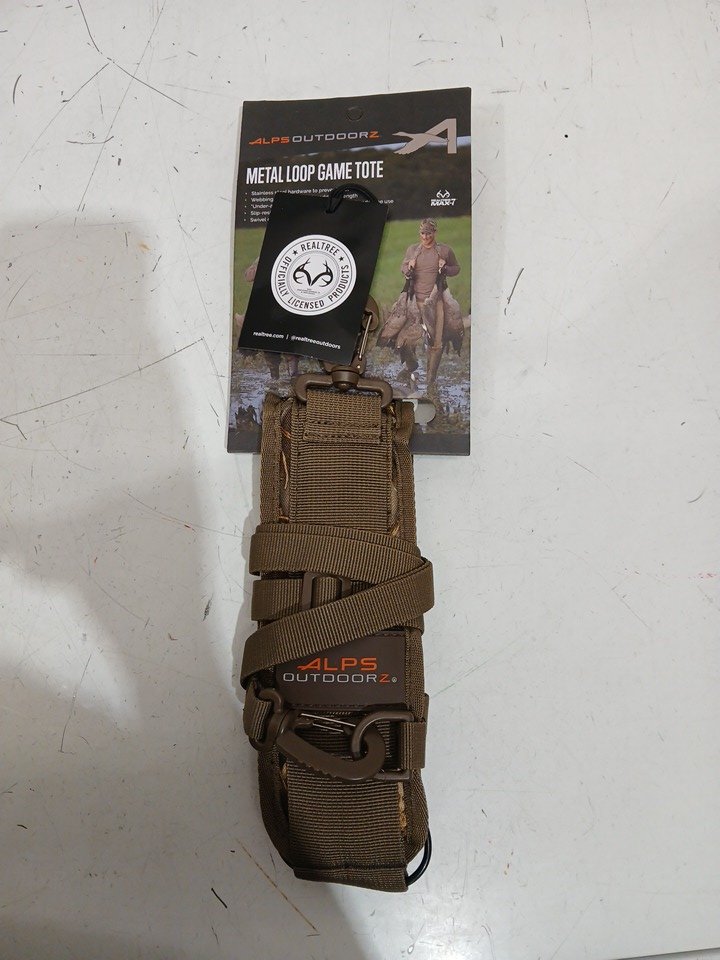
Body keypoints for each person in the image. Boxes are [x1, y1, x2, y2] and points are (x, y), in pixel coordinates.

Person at [380, 219, 461, 390]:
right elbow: (403, 267)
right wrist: (408, 268)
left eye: (429, 233)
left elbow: (456, 268)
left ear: (435, 232)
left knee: (436, 343)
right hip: (413, 302)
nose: (425, 237)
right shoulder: (413, 250)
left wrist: (445, 268)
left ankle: (430, 381)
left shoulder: (444, 251)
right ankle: (411, 365)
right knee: (403, 339)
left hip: (436, 302)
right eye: (423, 233)